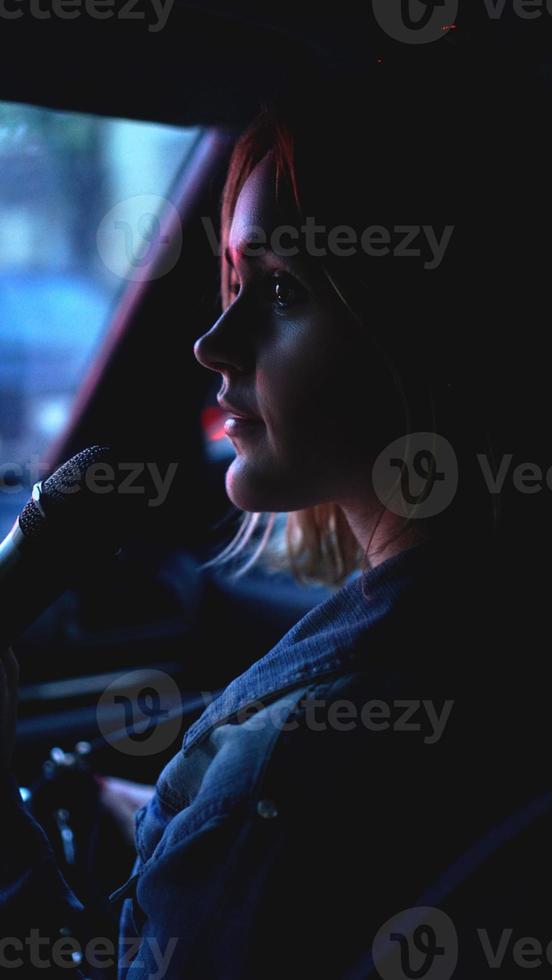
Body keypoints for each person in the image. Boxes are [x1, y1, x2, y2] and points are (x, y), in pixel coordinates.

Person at [2, 65, 551, 979]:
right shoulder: (497, 626)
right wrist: (176, 823)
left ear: (432, 331)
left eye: (286, 288)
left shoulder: (292, 762)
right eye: (233, 278)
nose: (212, 342)